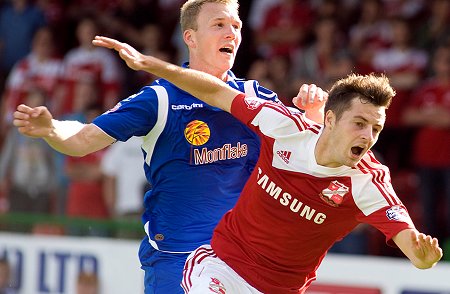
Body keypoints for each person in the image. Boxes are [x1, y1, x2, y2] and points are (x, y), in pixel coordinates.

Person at [10, 1, 326, 293]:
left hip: (246, 263)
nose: (231, 32)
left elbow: (309, 162)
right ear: (190, 37)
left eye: (236, 25)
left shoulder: (256, 100)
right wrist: (51, 129)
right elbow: (82, 140)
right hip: (178, 259)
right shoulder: (160, 99)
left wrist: (313, 117)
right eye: (218, 24)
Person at [87, 36, 443, 293]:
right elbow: (215, 92)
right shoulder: (285, 128)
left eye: (376, 128)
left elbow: (411, 243)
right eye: (360, 123)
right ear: (330, 120)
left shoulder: (368, 184)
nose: (368, 136)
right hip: (221, 268)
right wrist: (153, 66)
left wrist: (424, 257)